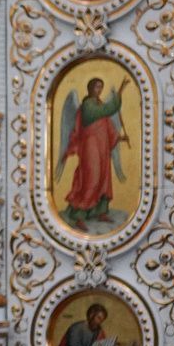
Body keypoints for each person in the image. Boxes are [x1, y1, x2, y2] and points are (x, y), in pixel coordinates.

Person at [58, 77, 131, 231]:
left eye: (101, 87)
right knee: (92, 177)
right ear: (91, 88)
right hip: (90, 146)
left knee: (104, 177)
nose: (100, 90)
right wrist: (120, 91)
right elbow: (106, 110)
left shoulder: (99, 105)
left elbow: (108, 126)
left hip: (103, 146)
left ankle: (99, 212)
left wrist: (119, 137)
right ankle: (78, 215)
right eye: (97, 87)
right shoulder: (87, 106)